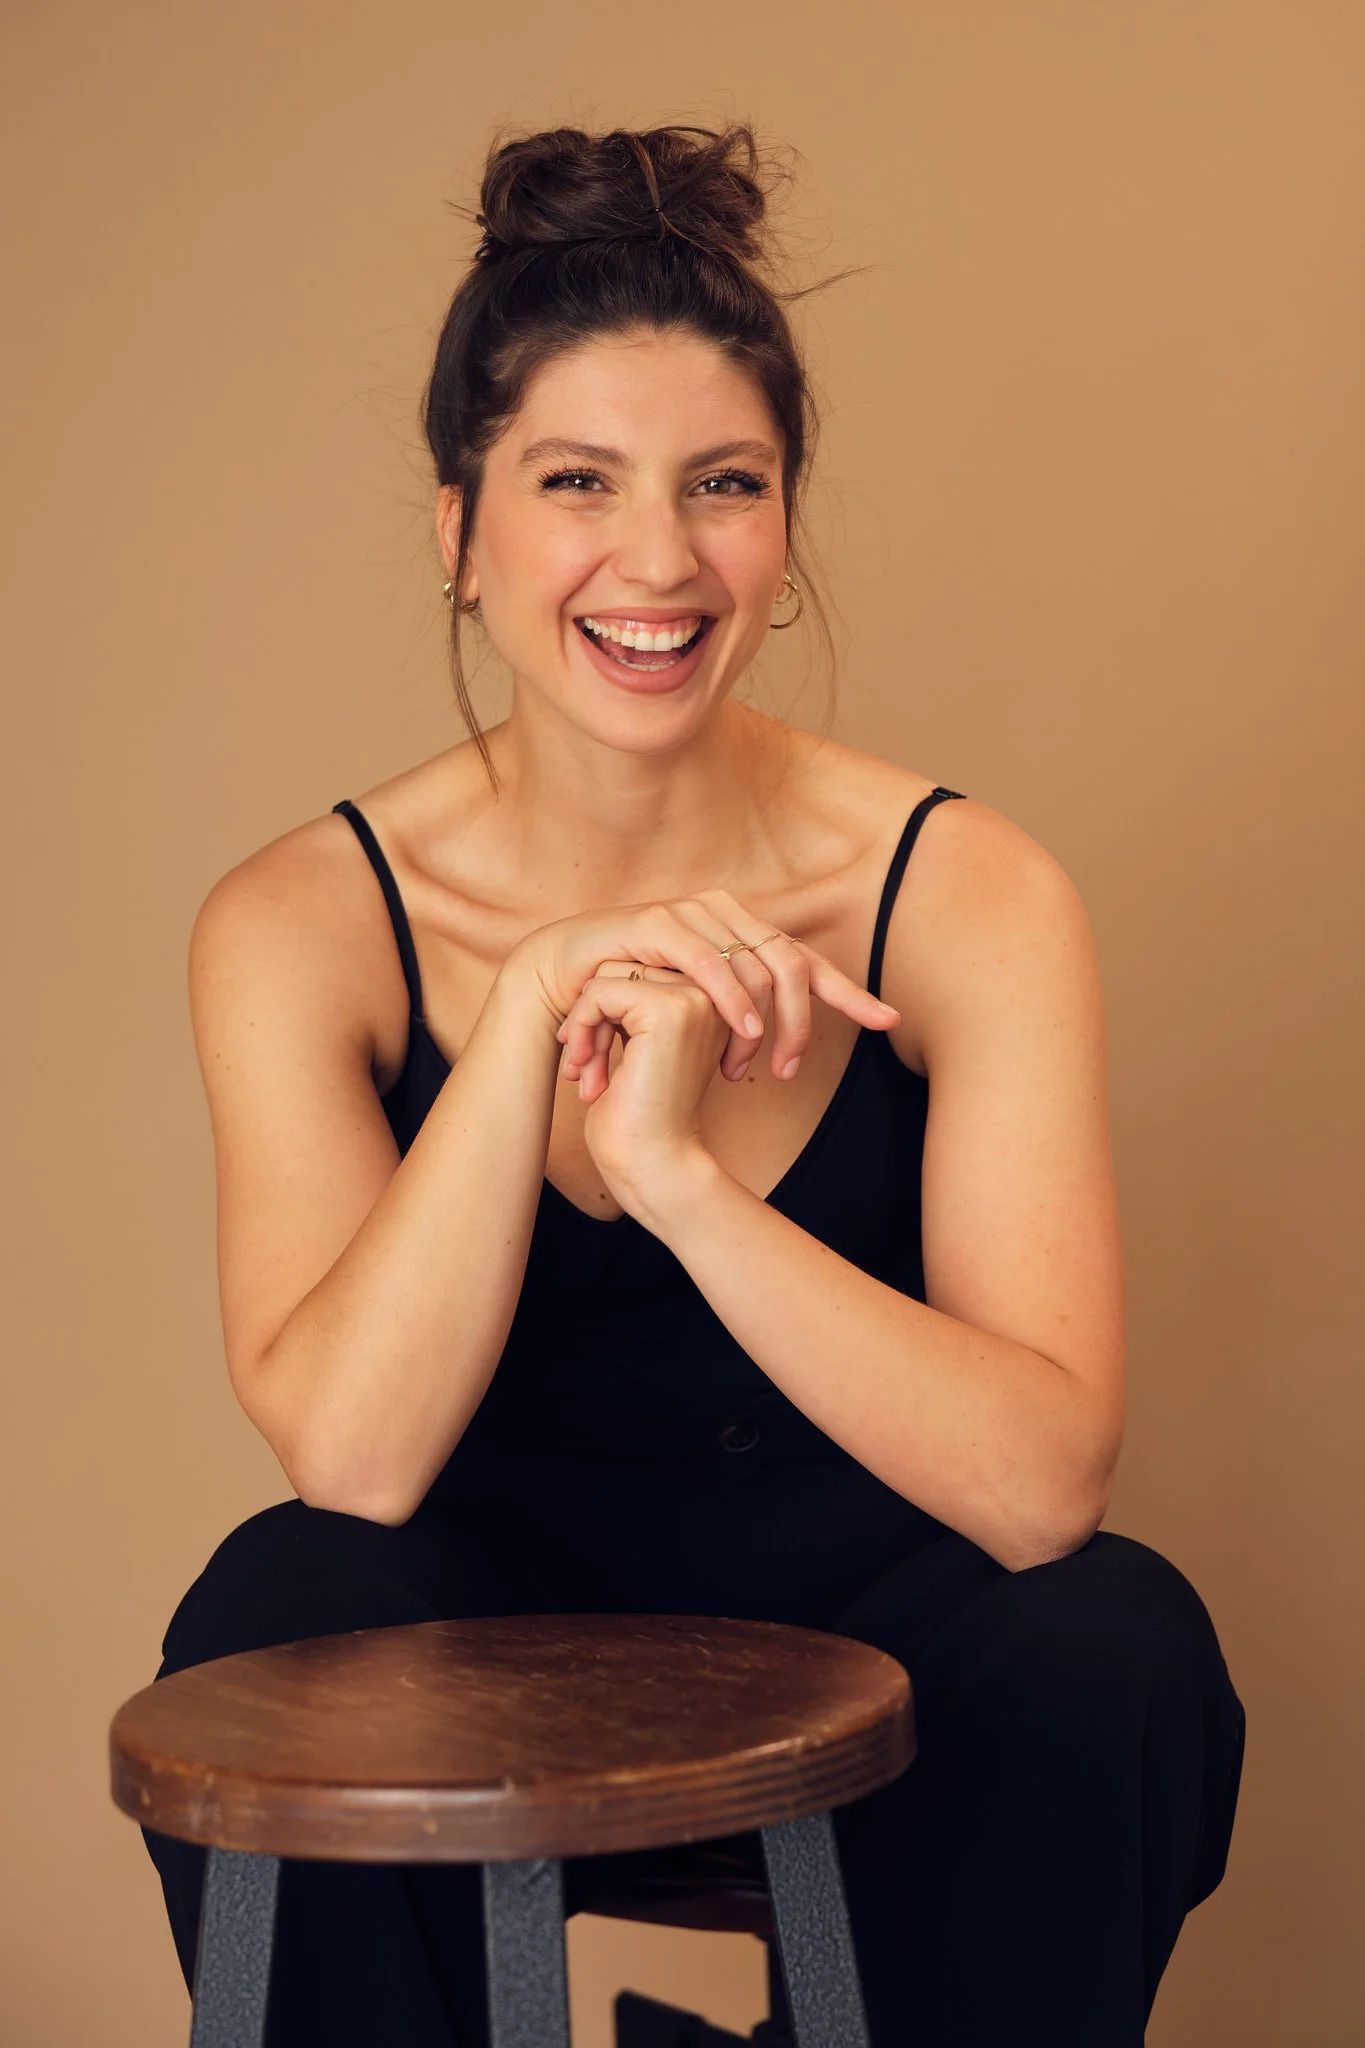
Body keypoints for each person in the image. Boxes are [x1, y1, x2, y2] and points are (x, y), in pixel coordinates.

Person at [142, 122, 1245, 2046]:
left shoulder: (963, 890)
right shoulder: (302, 921)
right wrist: (530, 1024)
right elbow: (357, 1457)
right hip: (486, 1588)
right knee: (271, 1602)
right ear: (461, 531)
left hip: (880, 1582)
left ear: (785, 530)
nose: (656, 559)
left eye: (722, 485)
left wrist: (678, 1179)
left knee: (1114, 1640)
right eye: (578, 483)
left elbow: (1043, 1483)